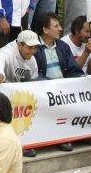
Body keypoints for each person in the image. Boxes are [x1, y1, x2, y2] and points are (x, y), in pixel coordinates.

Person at [33, 13, 85, 151]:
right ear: (45, 30)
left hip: (64, 92)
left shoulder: (63, 47)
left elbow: (74, 70)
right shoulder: (34, 48)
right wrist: (53, 85)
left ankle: (69, 136)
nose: (60, 29)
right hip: (43, 92)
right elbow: (34, 75)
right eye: (56, 26)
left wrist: (79, 78)